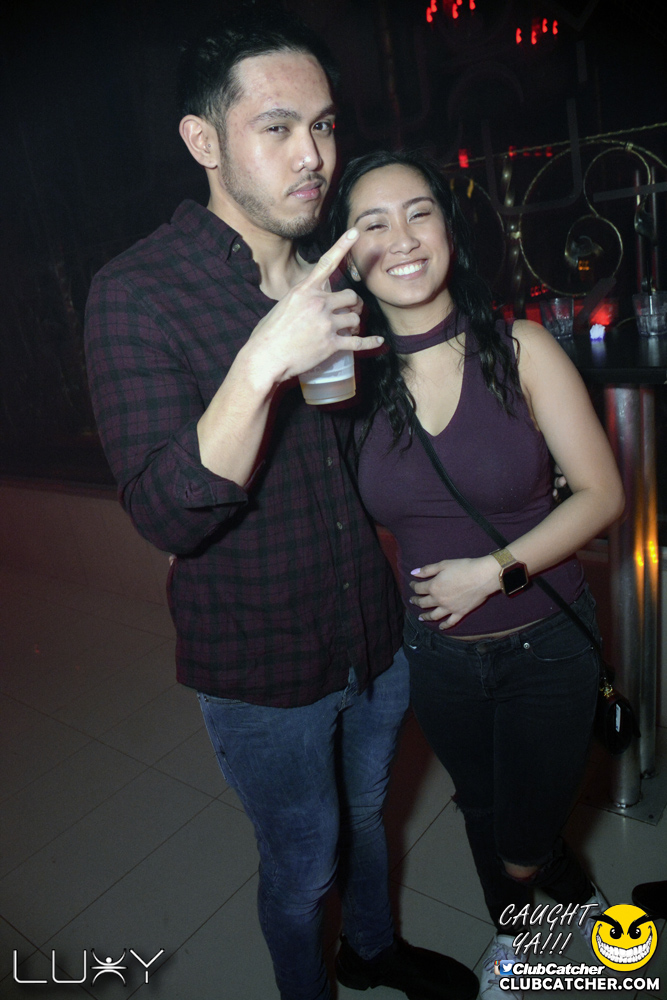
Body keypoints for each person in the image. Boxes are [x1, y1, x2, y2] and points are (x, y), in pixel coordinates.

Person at [84, 11, 479, 1000]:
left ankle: (372, 949)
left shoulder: (333, 272)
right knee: (302, 866)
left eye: (325, 125)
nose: (313, 155)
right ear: (203, 140)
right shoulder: (136, 293)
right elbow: (166, 512)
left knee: (369, 819)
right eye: (278, 127)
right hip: (259, 668)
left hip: (372, 633)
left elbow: (376, 448)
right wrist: (263, 359)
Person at [328, 149, 626, 1000]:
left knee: (522, 840)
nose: (401, 237)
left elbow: (602, 492)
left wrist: (491, 573)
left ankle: (554, 896)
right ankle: (522, 937)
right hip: (436, 661)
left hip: (545, 646)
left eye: (418, 212)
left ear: (449, 230)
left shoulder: (518, 347)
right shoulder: (349, 386)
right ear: (348, 256)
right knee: (484, 809)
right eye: (372, 223)